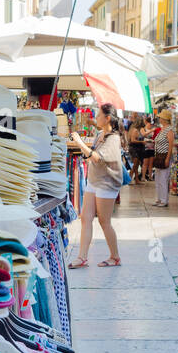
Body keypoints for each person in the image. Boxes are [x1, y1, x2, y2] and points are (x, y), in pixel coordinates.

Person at [68, 103, 123, 268]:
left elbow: (97, 157)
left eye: (99, 115)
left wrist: (79, 142)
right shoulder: (101, 133)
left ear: (107, 119)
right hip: (93, 180)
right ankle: (82, 257)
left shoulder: (114, 139)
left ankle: (115, 257)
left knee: (104, 221)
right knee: (85, 218)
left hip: (107, 183)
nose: (96, 118)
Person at [150, 108, 175, 208]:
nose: (159, 119)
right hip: (159, 156)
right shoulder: (162, 129)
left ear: (164, 119)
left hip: (164, 156)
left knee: (163, 179)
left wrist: (167, 159)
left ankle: (164, 200)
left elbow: (170, 145)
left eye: (160, 117)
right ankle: (159, 199)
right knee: (158, 179)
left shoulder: (169, 130)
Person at [127, 113, 145, 182]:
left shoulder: (135, 129)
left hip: (136, 149)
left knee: (136, 165)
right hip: (134, 149)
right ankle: (129, 178)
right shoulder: (135, 130)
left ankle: (137, 179)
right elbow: (133, 140)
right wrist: (142, 142)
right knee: (135, 165)